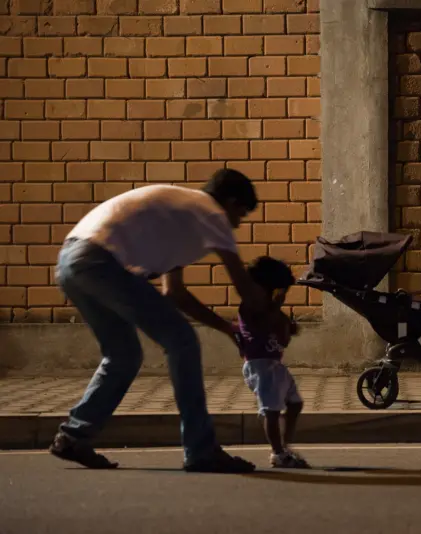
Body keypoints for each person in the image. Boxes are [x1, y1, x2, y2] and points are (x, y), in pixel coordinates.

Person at [50, 168, 268, 473]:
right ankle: (201, 449)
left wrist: (227, 329)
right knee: (182, 341)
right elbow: (244, 286)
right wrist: (270, 312)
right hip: (99, 261)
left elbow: (174, 293)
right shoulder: (212, 213)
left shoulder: (184, 217)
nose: (237, 224)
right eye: (241, 214)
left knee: (124, 355)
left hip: (71, 262)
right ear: (230, 203)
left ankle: (74, 436)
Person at [236, 256, 310, 468]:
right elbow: (260, 326)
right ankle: (278, 453)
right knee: (271, 410)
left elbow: (284, 337)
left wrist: (289, 327)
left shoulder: (270, 305)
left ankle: (284, 445)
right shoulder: (248, 307)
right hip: (260, 366)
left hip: (275, 365)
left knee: (295, 403)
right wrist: (276, 309)